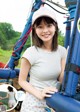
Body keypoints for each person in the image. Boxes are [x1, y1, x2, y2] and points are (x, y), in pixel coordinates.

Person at [18, 6, 67, 112]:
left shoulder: (62, 51)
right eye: (40, 27)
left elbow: (61, 79)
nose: (45, 30)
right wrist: (39, 94)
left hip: (54, 102)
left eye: (49, 25)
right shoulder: (30, 52)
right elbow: (22, 81)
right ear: (35, 30)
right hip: (34, 102)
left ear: (55, 27)